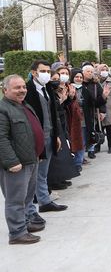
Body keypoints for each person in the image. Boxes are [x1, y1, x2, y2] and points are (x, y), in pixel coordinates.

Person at [0, 75, 46, 244]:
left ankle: (25, 224)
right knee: (15, 200)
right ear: (5, 90)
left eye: (23, 87)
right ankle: (17, 233)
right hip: (16, 164)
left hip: (30, 160)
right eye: (16, 88)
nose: (22, 90)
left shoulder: (23, 105)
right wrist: (11, 162)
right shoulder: (3, 109)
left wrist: (38, 154)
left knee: (27, 198)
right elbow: (1, 138)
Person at [24, 60, 67, 216]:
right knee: (33, 174)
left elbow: (52, 113)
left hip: (49, 135)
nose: (47, 74)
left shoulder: (47, 88)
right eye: (43, 71)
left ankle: (44, 201)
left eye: (49, 71)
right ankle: (33, 206)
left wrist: (56, 136)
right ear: (34, 72)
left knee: (43, 172)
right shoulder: (27, 90)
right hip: (35, 138)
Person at [97, 63, 111, 153]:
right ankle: (96, 146)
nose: (104, 72)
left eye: (106, 70)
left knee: (110, 128)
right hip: (98, 107)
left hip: (109, 107)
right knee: (98, 128)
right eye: (102, 70)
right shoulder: (95, 81)